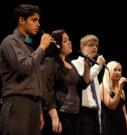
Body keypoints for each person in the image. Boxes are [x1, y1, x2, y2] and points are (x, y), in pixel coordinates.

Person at [0, 4, 54, 135]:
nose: (38, 24)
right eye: (34, 20)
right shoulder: (10, 41)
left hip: (33, 105)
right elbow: (25, 68)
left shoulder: (29, 46)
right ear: (22, 20)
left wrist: (39, 109)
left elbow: (35, 79)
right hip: (18, 102)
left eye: (38, 20)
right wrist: (41, 47)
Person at [41, 29, 91, 135]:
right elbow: (47, 90)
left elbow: (82, 84)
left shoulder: (69, 63)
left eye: (69, 39)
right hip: (61, 113)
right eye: (65, 41)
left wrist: (87, 67)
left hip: (75, 114)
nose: (69, 42)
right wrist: (54, 117)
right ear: (57, 45)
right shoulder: (50, 63)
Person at [71, 34, 106, 135]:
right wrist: (98, 65)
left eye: (96, 45)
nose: (95, 47)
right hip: (83, 113)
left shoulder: (94, 66)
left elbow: (95, 94)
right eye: (91, 45)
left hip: (94, 113)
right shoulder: (75, 63)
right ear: (82, 47)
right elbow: (85, 80)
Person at [99, 61, 127, 135]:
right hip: (109, 124)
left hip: (121, 124)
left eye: (119, 70)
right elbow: (112, 106)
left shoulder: (121, 90)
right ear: (109, 71)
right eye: (115, 70)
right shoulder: (103, 87)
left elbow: (125, 113)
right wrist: (119, 89)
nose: (118, 72)